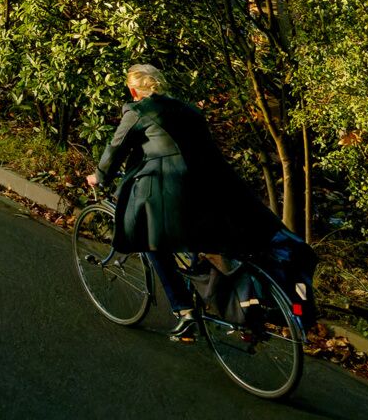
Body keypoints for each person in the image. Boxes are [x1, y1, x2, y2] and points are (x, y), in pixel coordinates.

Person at [86, 61, 272, 341]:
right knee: (201, 244)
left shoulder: (137, 112)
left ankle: (184, 311)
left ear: (133, 90)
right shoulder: (189, 110)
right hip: (209, 188)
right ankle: (231, 302)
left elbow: (116, 148)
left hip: (170, 188)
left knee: (152, 243)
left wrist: (99, 176)